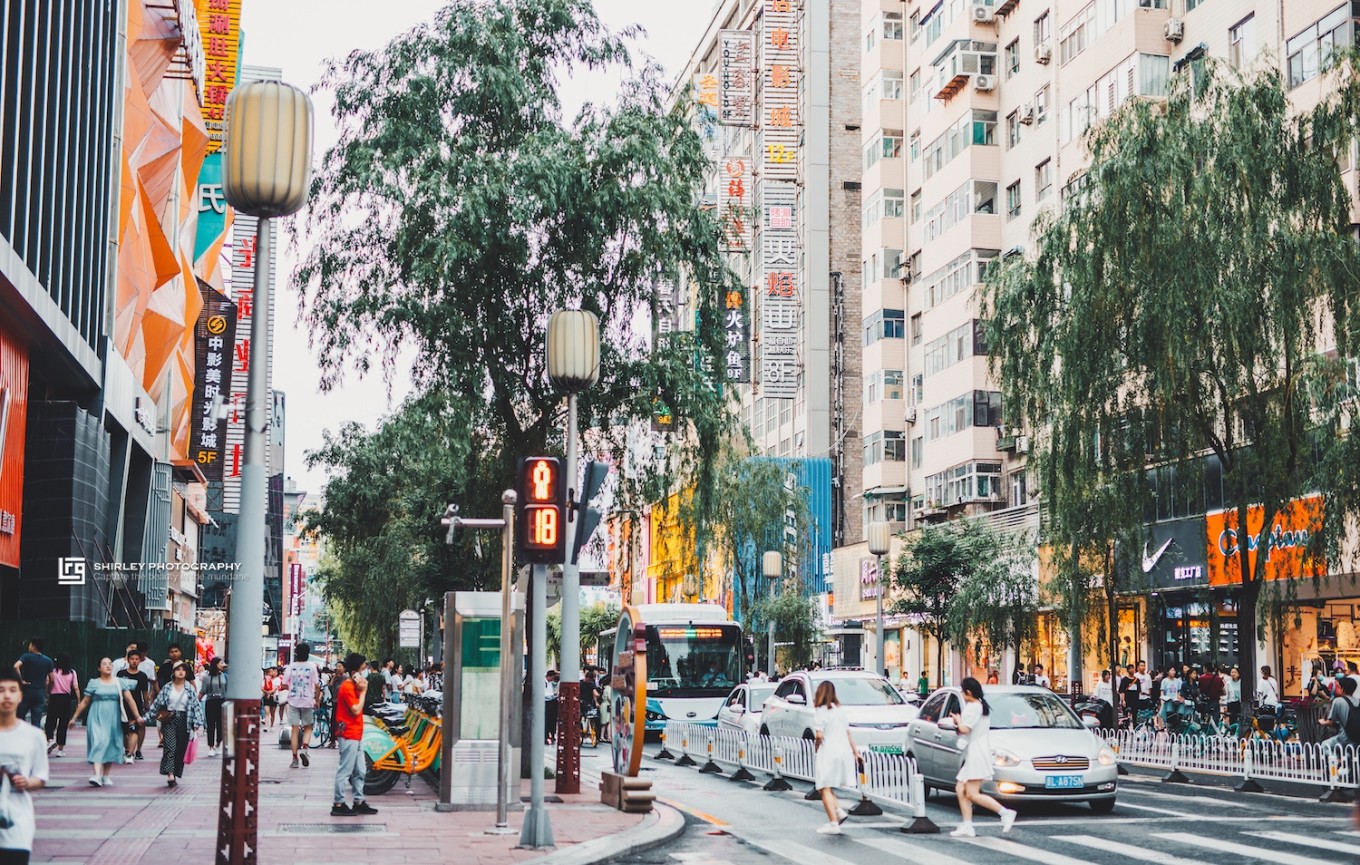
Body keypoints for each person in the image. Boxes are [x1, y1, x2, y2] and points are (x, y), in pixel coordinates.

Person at [949, 677, 1017, 838]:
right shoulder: (979, 705)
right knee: (960, 789)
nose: (961, 693)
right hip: (976, 751)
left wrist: (958, 720)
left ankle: (1005, 813)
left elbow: (965, 729)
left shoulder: (974, 707)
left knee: (972, 793)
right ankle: (967, 825)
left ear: (968, 692)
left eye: (962, 691)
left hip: (977, 752)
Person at [0, 667, 48, 864]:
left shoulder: (34, 736)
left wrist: (26, 782)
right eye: (1, 690)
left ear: (20, 696)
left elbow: (41, 777)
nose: (7, 696)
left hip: (18, 824)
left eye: (12, 690)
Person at [70, 658, 141, 787]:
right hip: (96, 716)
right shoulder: (94, 683)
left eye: (110, 664)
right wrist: (74, 718)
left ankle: (105, 776)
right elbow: (85, 701)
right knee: (98, 742)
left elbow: (130, 700)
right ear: (99, 668)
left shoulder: (119, 682)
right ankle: (97, 775)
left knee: (111, 744)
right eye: (104, 664)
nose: (108, 666)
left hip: (114, 718)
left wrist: (137, 716)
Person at [332, 653, 378, 817]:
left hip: (356, 732)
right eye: (362, 668)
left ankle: (358, 800)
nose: (364, 671)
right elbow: (356, 709)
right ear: (354, 671)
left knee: (360, 770)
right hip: (348, 732)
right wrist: (363, 692)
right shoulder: (347, 687)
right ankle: (338, 803)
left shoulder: (353, 686)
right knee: (345, 769)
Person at [146, 661, 204, 787]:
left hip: (185, 719)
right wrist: (146, 717)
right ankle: (170, 774)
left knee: (180, 748)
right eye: (178, 669)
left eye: (183, 670)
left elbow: (196, 706)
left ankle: (176, 772)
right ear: (173, 672)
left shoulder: (189, 688)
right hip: (170, 719)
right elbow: (157, 703)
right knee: (170, 746)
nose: (181, 672)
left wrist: (197, 722)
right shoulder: (167, 687)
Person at [811, 681, 856, 835]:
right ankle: (838, 811)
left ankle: (833, 823)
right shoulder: (840, 711)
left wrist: (817, 746)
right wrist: (856, 753)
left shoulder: (820, 711)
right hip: (843, 751)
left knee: (823, 787)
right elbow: (847, 733)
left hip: (828, 752)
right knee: (827, 785)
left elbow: (819, 735)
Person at [282, 643, 322, 769]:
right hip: (307, 701)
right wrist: (317, 700)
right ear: (308, 653)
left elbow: (283, 684)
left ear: (296, 653)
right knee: (308, 727)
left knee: (294, 730)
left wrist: (292, 688)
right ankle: (304, 748)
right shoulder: (312, 667)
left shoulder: (290, 667)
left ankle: (295, 760)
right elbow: (317, 685)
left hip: (293, 701)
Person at [115, 650, 152, 762]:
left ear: (140, 661)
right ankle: (127, 750)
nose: (134, 661)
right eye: (132, 659)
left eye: (137, 659)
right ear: (128, 660)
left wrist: (147, 705)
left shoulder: (142, 676)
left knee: (135, 729)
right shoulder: (121, 674)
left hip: (137, 705)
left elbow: (145, 693)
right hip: (122, 705)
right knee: (123, 730)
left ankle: (136, 751)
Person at [13, 639, 53, 730]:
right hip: (40, 692)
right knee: (36, 720)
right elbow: (52, 679)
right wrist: (48, 691)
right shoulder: (48, 660)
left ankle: (21, 736)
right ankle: (34, 737)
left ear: (33, 646)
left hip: (26, 690)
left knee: (20, 717)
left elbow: (16, 666)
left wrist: (21, 681)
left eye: (30, 644)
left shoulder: (27, 657)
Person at [44, 654, 77, 757]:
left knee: (50, 721)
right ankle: (60, 750)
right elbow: (75, 687)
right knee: (63, 724)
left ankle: (50, 740)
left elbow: (48, 683)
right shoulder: (72, 672)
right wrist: (79, 701)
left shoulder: (53, 671)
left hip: (54, 698)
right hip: (66, 699)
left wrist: (47, 695)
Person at [1320, 676, 1360, 752]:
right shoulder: (1358, 701)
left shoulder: (1338, 701)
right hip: (1358, 739)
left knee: (1325, 745)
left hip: (1345, 739)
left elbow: (1330, 722)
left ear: (1342, 689)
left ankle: (1337, 758)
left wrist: (1322, 722)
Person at [200, 658, 228, 757]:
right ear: (215, 664)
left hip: (222, 701)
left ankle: (218, 744)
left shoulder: (224, 676)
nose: (223, 664)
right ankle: (211, 747)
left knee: (221, 725)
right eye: (221, 663)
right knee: (210, 725)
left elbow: (228, 689)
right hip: (210, 701)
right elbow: (203, 691)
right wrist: (196, 702)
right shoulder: (207, 677)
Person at [326, 659, 346, 749]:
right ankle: (333, 740)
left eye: (340, 666)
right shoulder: (335, 678)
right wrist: (334, 678)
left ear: (344, 668)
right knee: (333, 721)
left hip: (343, 704)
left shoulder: (346, 678)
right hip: (335, 702)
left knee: (341, 722)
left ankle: (342, 740)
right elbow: (329, 687)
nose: (338, 668)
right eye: (337, 666)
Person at [1157, 666, 1182, 730]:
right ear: (1168, 672)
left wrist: (1179, 699)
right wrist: (1162, 702)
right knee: (1165, 716)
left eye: (1174, 670)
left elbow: (1178, 692)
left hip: (1175, 702)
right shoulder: (1164, 681)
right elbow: (1162, 692)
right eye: (1171, 670)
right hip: (1167, 702)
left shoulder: (1177, 681)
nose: (1173, 672)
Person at [545, 670, 560, 745]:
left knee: (552, 720)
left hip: (552, 701)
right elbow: (545, 694)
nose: (552, 679)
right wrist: (552, 694)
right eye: (552, 677)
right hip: (546, 702)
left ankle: (551, 734)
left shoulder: (550, 683)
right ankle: (546, 735)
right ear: (549, 676)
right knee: (547, 720)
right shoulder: (544, 683)